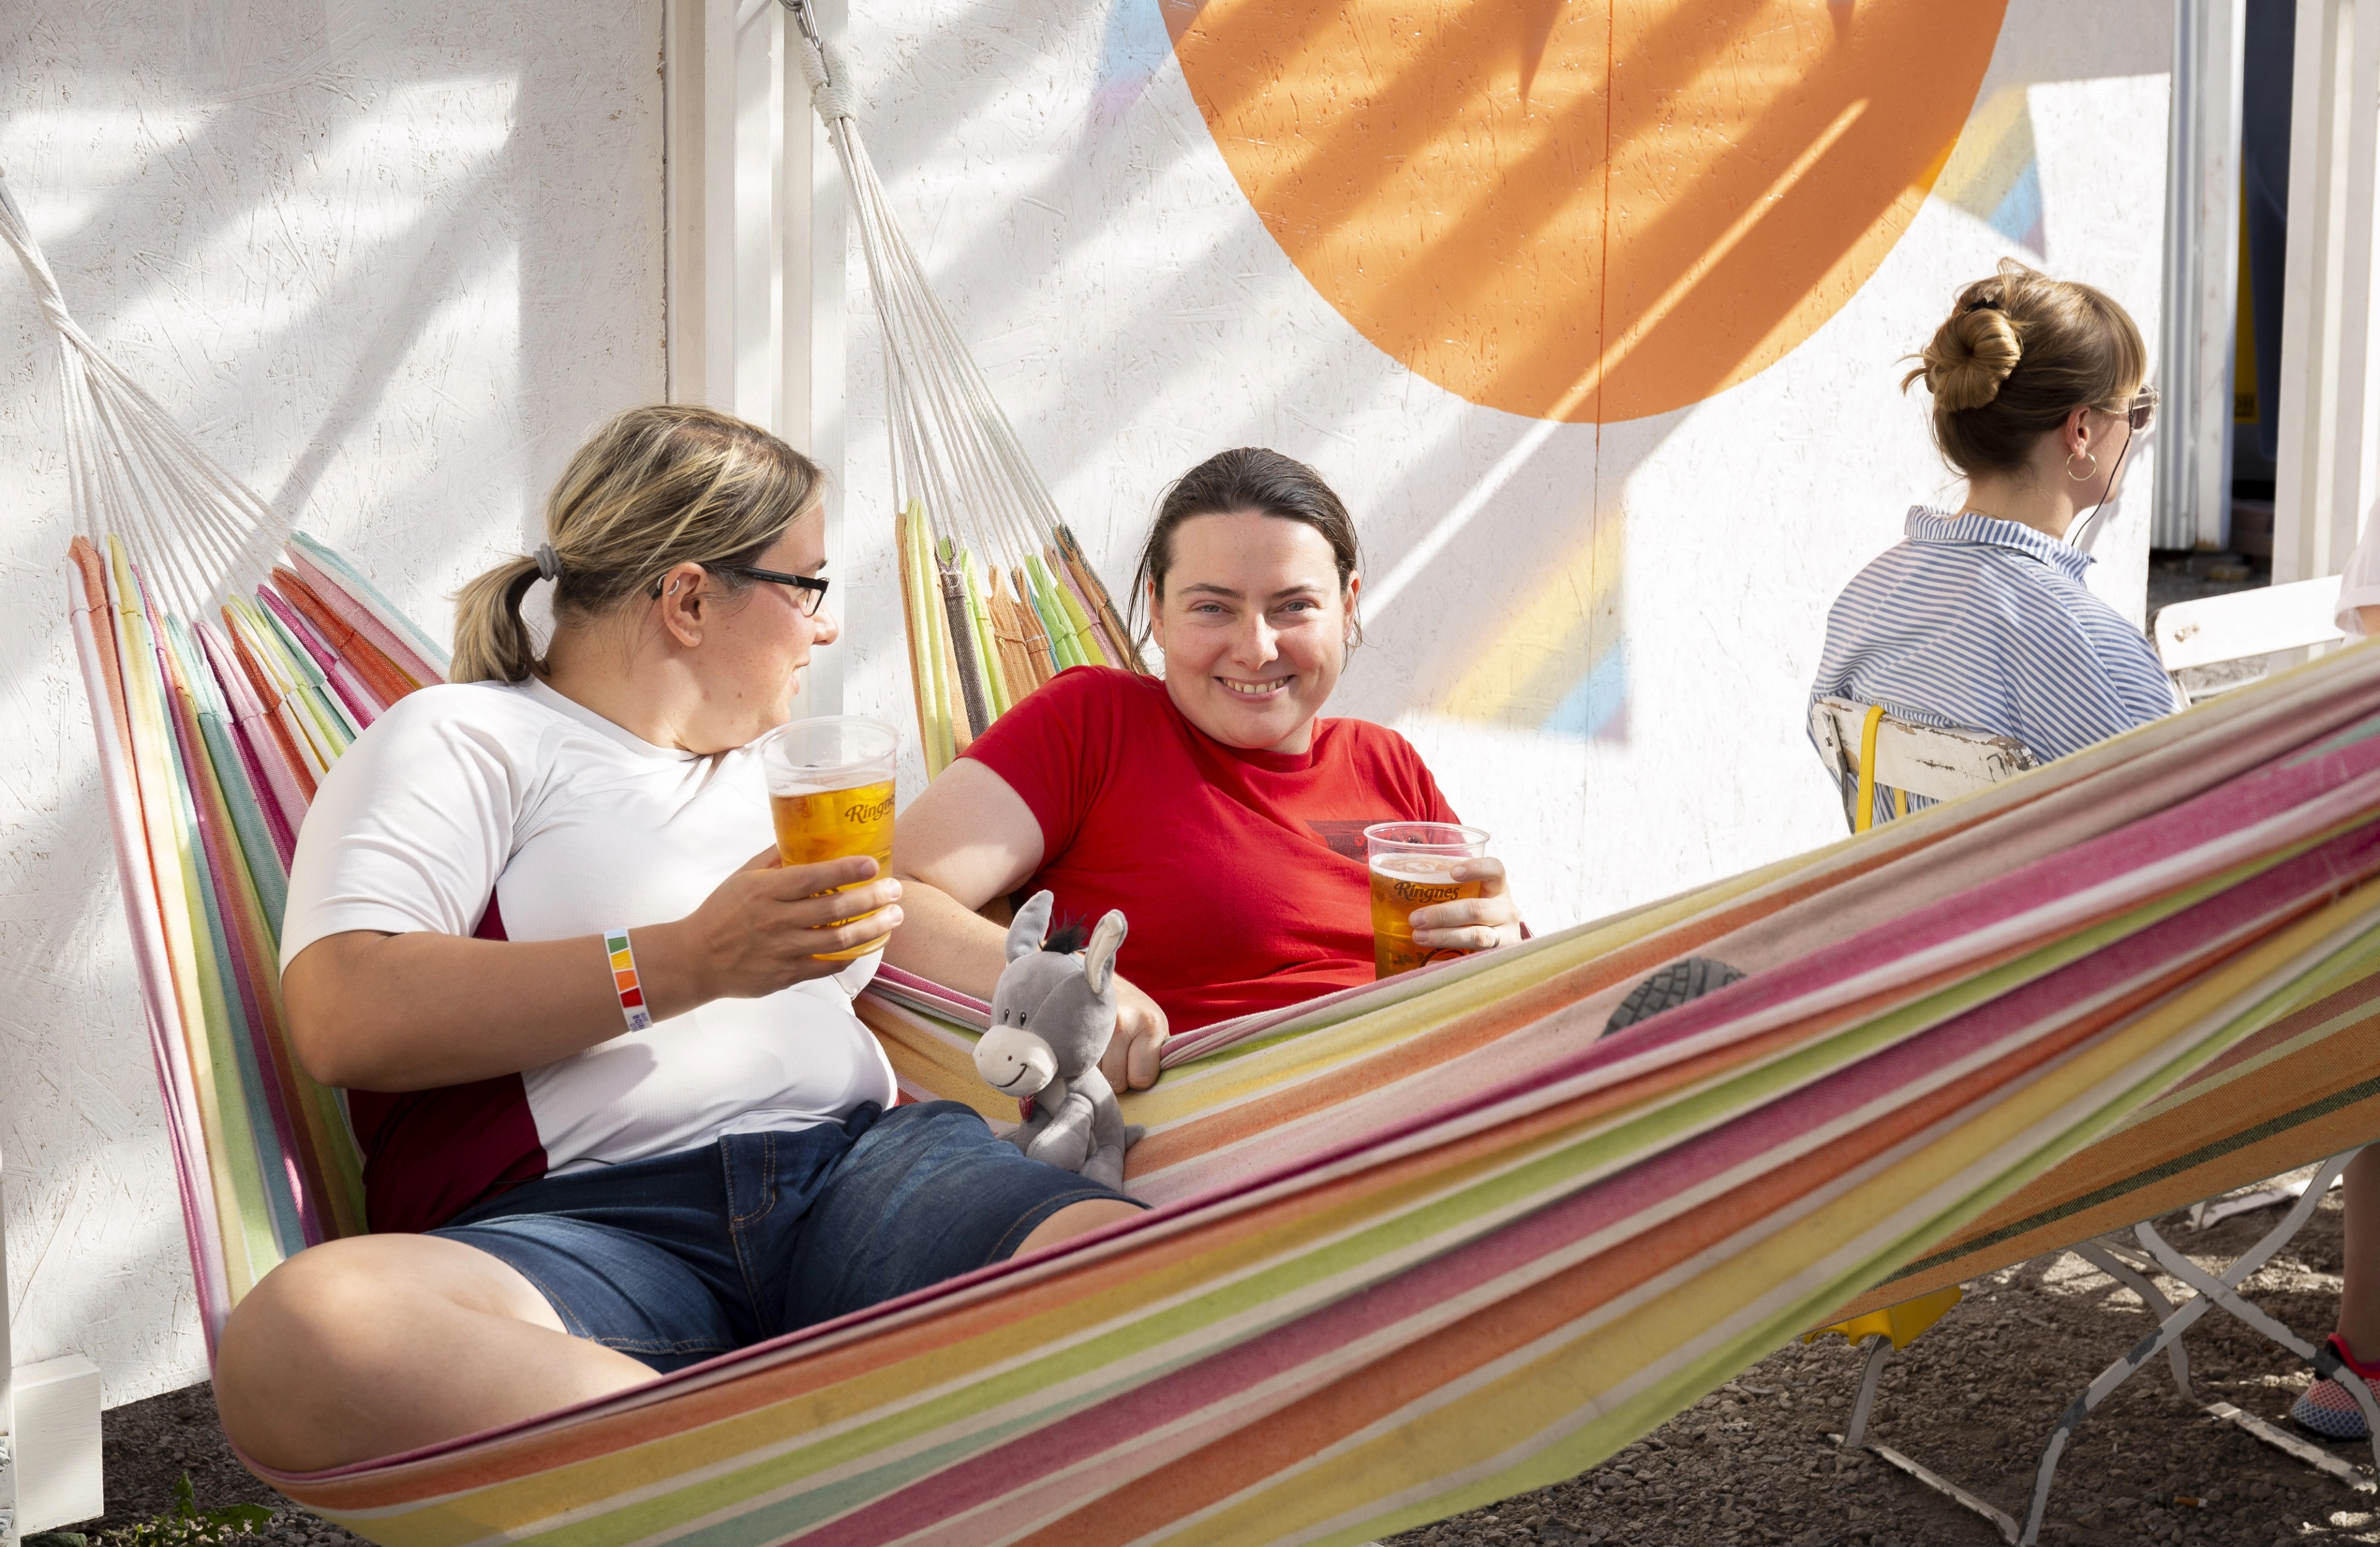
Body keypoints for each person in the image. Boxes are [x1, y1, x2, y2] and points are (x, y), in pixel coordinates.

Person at [213, 406, 1143, 1473]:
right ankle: (806, 1472)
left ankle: (737, 1466)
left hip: (856, 1175)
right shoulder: (467, 739)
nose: (827, 629)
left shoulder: (786, 780)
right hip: (580, 1231)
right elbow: (343, 1010)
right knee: (303, 1339)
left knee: (1135, 1282)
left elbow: (893, 915)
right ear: (692, 599)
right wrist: (691, 960)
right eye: (810, 588)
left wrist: (1086, 992)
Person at [887, 447, 1524, 1085]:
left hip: (1433, 1097)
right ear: (1158, 611)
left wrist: (1506, 941)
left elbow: (1496, 980)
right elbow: (884, 900)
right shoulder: (1096, 725)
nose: (1256, 649)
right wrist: (1064, 988)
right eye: (1213, 608)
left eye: (1294, 606)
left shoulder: (1389, 764)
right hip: (1227, 1129)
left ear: (1348, 605)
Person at [1810, 260, 2174, 822]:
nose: (2137, 428)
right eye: (2136, 411)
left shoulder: (1864, 602)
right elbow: (2172, 832)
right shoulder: (2100, 651)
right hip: (2052, 912)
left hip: (1902, 908)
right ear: (2081, 432)